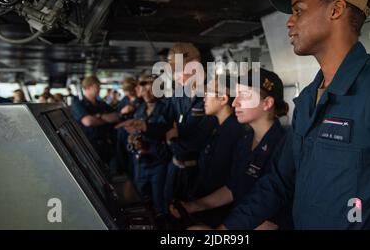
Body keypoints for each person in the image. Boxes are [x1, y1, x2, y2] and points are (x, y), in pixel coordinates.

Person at [218, 0, 370, 230]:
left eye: (298, 10)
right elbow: (280, 182)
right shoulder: (309, 99)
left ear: (336, 10)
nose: (289, 21)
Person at [170, 68, 292, 230]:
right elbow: (233, 187)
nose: (235, 102)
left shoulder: (285, 146)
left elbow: (273, 215)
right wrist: (194, 206)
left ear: (267, 103)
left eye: (245, 95)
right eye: (237, 95)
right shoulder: (245, 141)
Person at [117, 43, 217, 206]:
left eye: (178, 71)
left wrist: (174, 138)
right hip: (176, 168)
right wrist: (143, 126)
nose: (175, 77)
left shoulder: (213, 94)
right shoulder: (179, 95)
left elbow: (201, 140)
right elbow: (165, 124)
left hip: (200, 171)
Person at [128, 75, 171, 217]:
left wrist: (146, 130)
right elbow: (134, 131)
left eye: (151, 88)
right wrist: (133, 140)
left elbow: (164, 130)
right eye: (144, 88)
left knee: (161, 206)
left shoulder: (167, 108)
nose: (147, 92)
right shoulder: (139, 110)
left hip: (160, 163)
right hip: (141, 164)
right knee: (141, 206)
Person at [71, 75, 120, 164]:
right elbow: (88, 121)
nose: (99, 89)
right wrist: (105, 118)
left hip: (104, 145)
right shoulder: (78, 104)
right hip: (88, 145)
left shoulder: (101, 104)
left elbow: (116, 116)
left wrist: (99, 117)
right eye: (97, 86)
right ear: (88, 87)